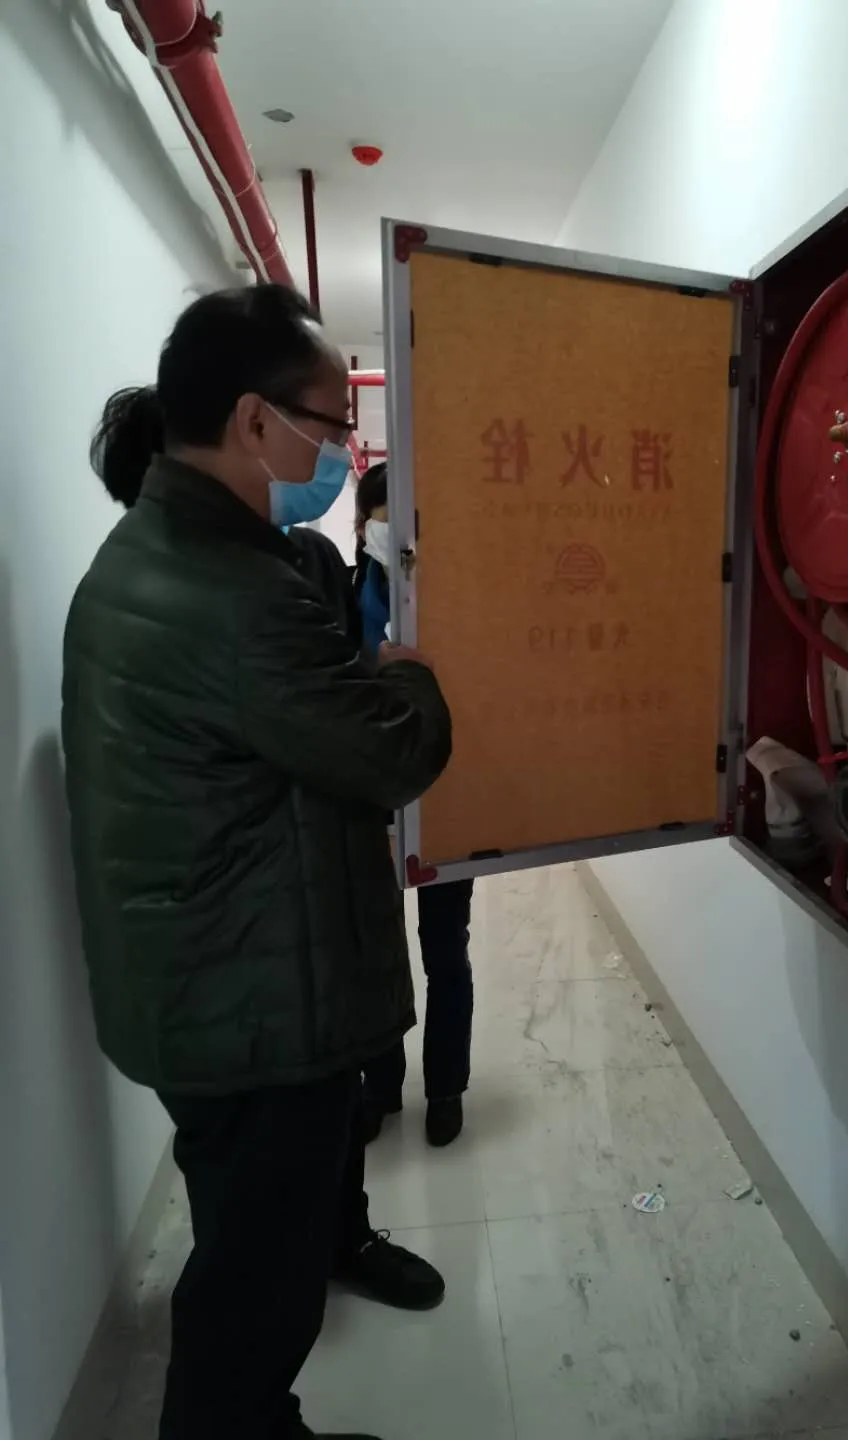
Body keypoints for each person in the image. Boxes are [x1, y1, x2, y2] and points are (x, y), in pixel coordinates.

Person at [64, 283, 452, 1440]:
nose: (341, 453)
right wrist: (413, 677)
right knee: (251, 1296)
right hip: (253, 1002)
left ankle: (286, 1362)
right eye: (332, 426)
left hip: (210, 975)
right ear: (252, 421)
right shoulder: (228, 594)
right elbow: (390, 753)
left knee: (259, 1231)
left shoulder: (168, 550)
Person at [354, 465, 475, 1148]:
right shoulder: (343, 596)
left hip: (446, 802)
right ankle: (381, 1086)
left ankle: (446, 1088)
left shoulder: (453, 599)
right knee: (375, 954)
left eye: (408, 516)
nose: (394, 528)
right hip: (368, 804)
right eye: (382, 513)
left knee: (445, 952)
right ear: (363, 523)